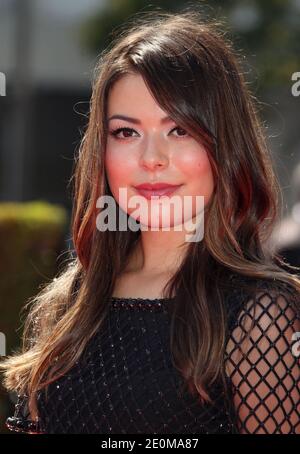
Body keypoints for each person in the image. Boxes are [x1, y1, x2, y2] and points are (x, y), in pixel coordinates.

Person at [0, 9, 299, 435]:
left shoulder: (260, 314)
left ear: (225, 147)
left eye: (179, 130)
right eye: (126, 132)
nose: (151, 158)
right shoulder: (67, 304)